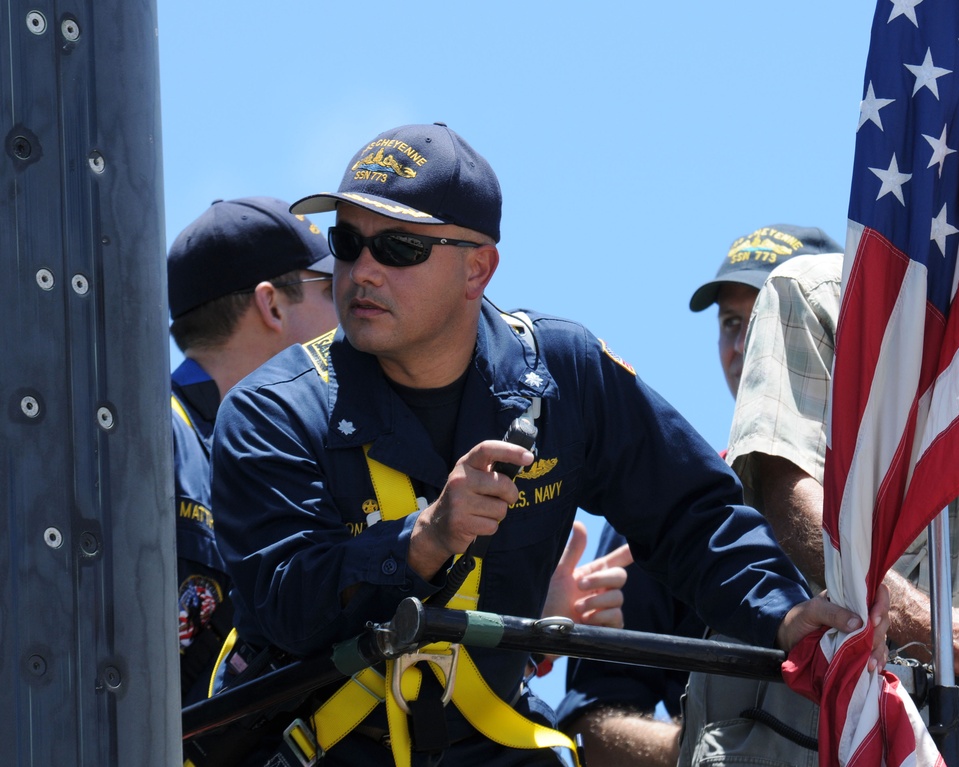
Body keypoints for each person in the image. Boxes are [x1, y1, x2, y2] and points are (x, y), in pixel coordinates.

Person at [208, 124, 887, 766]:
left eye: (399, 248)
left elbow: (690, 516)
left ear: (478, 269)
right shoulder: (273, 410)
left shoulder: (565, 373)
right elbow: (282, 602)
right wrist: (420, 540)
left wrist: (784, 612)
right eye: (348, 242)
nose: (362, 271)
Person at [679, 248, 959, 766]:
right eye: (730, 323)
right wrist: (937, 630)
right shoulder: (815, 291)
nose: (739, 344)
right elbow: (787, 493)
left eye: (747, 320)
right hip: (803, 727)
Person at [556, 225, 843, 766]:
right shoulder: (676, 506)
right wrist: (714, 745)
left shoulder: (930, 499)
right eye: (731, 324)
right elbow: (591, 731)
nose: (740, 348)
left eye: (762, 323)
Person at [168, 196, 336, 705]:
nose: (353, 312)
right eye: (330, 290)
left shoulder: (310, 460)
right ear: (273, 304)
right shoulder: (144, 439)